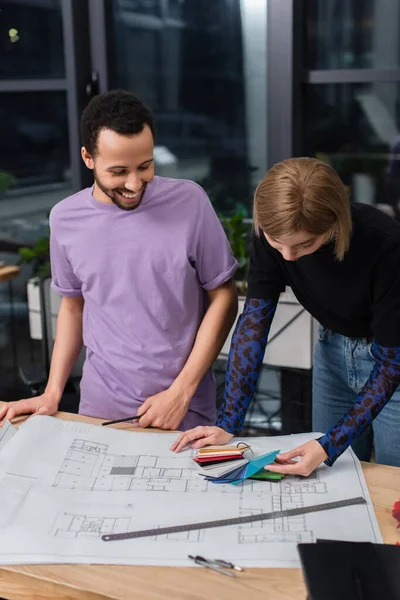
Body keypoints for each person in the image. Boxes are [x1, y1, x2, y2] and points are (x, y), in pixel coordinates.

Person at [0, 90, 238, 429]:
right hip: (100, 408)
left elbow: (224, 296)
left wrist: (182, 392)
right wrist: (53, 391)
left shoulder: (189, 202)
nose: (134, 183)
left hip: (182, 409)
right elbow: (73, 306)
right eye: (118, 171)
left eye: (145, 166)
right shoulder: (65, 219)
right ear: (88, 158)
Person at [172, 157, 400, 476]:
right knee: (338, 478)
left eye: (305, 244)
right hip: (333, 351)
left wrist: (327, 445)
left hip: (393, 362)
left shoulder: (386, 244)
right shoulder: (273, 235)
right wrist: (227, 425)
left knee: (392, 480)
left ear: (335, 222)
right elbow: (253, 327)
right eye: (277, 243)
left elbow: (391, 364)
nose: (288, 257)